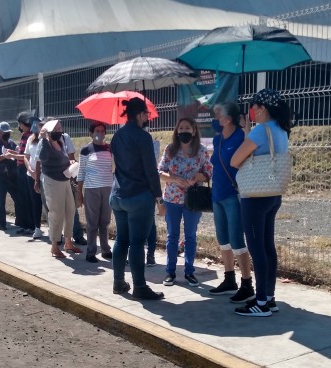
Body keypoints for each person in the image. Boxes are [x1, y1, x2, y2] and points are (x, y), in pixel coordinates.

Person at [230, 89, 291, 317]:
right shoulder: (280, 129)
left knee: (257, 248)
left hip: (254, 197)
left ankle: (262, 302)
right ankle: (269, 297)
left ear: (262, 108)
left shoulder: (260, 132)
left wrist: (248, 135)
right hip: (273, 194)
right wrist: (248, 133)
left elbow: (235, 160)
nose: (252, 111)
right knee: (267, 247)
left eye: (254, 107)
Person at [109, 97, 164, 300]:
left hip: (118, 195)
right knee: (137, 242)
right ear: (140, 114)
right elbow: (151, 171)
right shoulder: (143, 137)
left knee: (122, 240)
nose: (148, 118)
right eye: (146, 114)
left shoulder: (116, 136)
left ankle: (118, 282)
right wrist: (159, 198)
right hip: (138, 196)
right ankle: (139, 286)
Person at [158, 117, 212, 287]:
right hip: (172, 199)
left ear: (194, 131)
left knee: (190, 236)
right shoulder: (170, 149)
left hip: (193, 200)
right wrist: (174, 179)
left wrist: (198, 176)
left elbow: (209, 172)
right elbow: (159, 171)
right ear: (176, 131)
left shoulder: (201, 151)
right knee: (172, 236)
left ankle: (189, 272)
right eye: (180, 128)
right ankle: (170, 272)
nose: (183, 131)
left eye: (187, 128)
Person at [209, 102, 254, 303]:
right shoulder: (219, 139)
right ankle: (229, 279)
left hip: (232, 195)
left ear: (228, 119)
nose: (216, 119)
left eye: (219, 116)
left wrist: (247, 128)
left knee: (237, 239)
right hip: (217, 196)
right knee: (223, 239)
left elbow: (250, 149)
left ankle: (247, 283)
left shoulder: (240, 137)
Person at [37, 118, 81, 258]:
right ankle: (54, 246)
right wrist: (44, 139)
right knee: (56, 213)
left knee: (70, 210)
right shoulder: (44, 143)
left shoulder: (60, 142)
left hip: (65, 179)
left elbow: (63, 159)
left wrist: (71, 162)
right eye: (56, 129)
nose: (59, 131)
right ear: (49, 131)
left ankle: (68, 242)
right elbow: (42, 158)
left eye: (60, 128)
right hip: (52, 181)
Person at [77, 122, 114, 263]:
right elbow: (81, 172)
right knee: (92, 223)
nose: (99, 133)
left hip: (108, 188)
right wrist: (79, 192)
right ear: (91, 134)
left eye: (102, 131)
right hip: (92, 189)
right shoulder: (86, 149)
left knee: (104, 221)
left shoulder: (110, 148)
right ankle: (91, 251)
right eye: (96, 131)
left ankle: (105, 249)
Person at [0, 121, 27, 232]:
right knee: (0, 201)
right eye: (5, 132)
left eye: (8, 132)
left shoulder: (11, 143)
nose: (7, 134)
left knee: (18, 199)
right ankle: (2, 224)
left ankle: (20, 222)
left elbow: (17, 154)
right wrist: (4, 156)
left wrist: (15, 152)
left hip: (12, 176)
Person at [13, 113, 36, 232]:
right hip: (21, 169)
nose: (19, 126)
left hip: (26, 168)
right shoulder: (24, 135)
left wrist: (12, 155)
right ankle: (25, 225)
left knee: (28, 198)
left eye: (20, 123)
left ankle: (32, 225)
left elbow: (27, 156)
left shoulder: (31, 136)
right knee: (23, 198)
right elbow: (21, 153)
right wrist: (13, 153)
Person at [24, 120, 45, 239]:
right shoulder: (30, 139)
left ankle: (55, 230)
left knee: (48, 204)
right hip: (31, 176)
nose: (36, 128)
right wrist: (31, 171)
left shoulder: (47, 140)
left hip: (45, 176)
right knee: (35, 202)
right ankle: (37, 227)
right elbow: (26, 156)